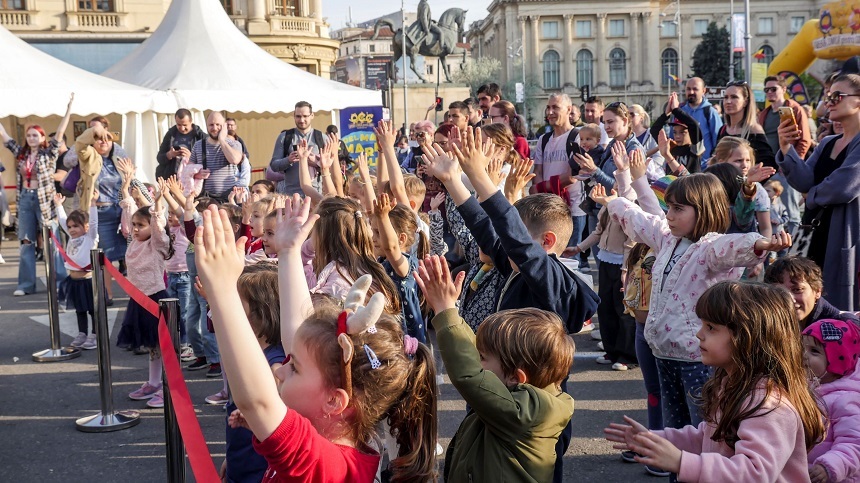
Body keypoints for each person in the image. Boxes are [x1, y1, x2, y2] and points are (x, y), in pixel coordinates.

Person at [195, 197, 437, 482]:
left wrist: (223, 291)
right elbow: (295, 334)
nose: (278, 369)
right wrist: (288, 253)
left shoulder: (329, 466)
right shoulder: (338, 438)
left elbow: (257, 402)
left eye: (294, 367)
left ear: (334, 402)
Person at [421, 127, 599, 480]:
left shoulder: (551, 281)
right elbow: (489, 230)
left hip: (531, 405)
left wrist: (479, 177)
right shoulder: (518, 265)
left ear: (546, 243)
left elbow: (516, 240)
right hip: (502, 384)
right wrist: (454, 180)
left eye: (516, 240)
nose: (504, 246)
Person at [592, 174, 792, 442]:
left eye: (678, 209)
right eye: (669, 207)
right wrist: (612, 201)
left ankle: (701, 470)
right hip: (665, 353)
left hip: (697, 358)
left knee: (704, 429)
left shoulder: (709, 248)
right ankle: (677, 470)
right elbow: (639, 219)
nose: (669, 215)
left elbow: (733, 246)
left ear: (705, 209)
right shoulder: (666, 238)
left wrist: (760, 244)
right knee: (675, 429)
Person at [605, 281, 826, 482]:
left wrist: (681, 462)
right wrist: (655, 440)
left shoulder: (769, 405)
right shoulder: (733, 382)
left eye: (711, 328)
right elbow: (709, 437)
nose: (700, 334)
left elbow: (754, 473)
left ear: (748, 338)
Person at [414, 255, 575, 482]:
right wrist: (449, 312)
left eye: (482, 358)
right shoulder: (520, 397)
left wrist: (445, 312)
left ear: (515, 377)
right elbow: (475, 361)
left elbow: (469, 375)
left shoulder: (524, 413)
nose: (476, 361)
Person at [777, 72, 860, 311]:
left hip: (844, 233)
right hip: (813, 232)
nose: (828, 102)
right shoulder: (827, 143)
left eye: (837, 96)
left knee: (838, 302)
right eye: (827, 96)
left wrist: (810, 197)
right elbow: (804, 180)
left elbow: (843, 186)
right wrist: (786, 149)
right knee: (808, 298)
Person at [0, 94, 73, 296]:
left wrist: (68, 110)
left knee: (53, 242)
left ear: (42, 138)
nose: (31, 138)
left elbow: (59, 132)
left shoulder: (48, 154)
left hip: (45, 201)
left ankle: (60, 284)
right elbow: (5, 136)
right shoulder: (22, 154)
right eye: (29, 135)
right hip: (25, 199)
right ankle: (25, 285)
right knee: (25, 242)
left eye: (35, 135)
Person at [220, 264, 285, 483]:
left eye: (238, 305)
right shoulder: (250, 353)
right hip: (240, 461)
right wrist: (230, 458)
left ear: (262, 312)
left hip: (260, 471)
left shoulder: (275, 362)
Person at [116, 165, 174, 409]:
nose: (137, 229)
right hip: (138, 300)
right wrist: (126, 184)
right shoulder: (133, 242)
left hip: (156, 299)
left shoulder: (157, 244)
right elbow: (129, 209)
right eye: (135, 226)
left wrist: (158, 204)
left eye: (142, 225)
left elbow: (159, 227)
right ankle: (153, 383)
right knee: (152, 347)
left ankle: (168, 388)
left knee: (164, 347)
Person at [802, 319, 860, 483]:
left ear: (837, 362)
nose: (803, 355)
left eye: (814, 351)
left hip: (835, 477)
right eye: (801, 348)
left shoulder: (845, 399)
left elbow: (854, 444)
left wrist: (828, 466)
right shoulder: (811, 389)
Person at [372, 194, 429, 343]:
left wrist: (383, 217)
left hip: (407, 345)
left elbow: (391, 248)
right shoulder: (382, 261)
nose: (373, 238)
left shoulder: (406, 265)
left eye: (379, 232)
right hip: (389, 339)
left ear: (401, 239)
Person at [759, 75, 809, 236]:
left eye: (774, 89)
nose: (770, 92)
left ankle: (795, 254)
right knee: (770, 211)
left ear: (784, 90)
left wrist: (791, 165)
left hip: (785, 169)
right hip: (768, 170)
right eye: (767, 90)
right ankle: (778, 254)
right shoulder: (764, 113)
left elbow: (804, 140)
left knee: (792, 213)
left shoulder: (794, 109)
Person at [764, 256, 860, 329]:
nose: (788, 299)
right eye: (779, 292)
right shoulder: (764, 323)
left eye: (797, 290)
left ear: (818, 291)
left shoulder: (845, 327)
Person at [55, 192, 98, 350]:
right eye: (70, 226)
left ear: (85, 227)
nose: (72, 229)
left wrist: (93, 204)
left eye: (76, 226)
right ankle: (82, 333)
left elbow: (93, 223)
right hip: (74, 281)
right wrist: (59, 205)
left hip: (88, 281)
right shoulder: (72, 238)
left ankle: (94, 334)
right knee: (80, 309)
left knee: (92, 309)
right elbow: (62, 221)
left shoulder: (90, 238)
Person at [268, 101, 329, 196]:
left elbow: (329, 167)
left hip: (316, 194)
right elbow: (274, 165)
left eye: (305, 116)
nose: (301, 120)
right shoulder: (285, 137)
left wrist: (316, 162)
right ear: (294, 116)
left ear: (312, 115)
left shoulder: (322, 138)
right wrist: (288, 160)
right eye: (298, 116)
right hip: (292, 195)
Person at [718, 81, 776, 171]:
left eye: (734, 97)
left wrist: (748, 175)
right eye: (726, 97)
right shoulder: (723, 129)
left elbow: (768, 163)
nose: (728, 101)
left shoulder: (754, 130)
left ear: (745, 102)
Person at [188, 112, 244, 202]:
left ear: (224, 126)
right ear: (206, 126)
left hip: (227, 198)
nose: (214, 128)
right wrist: (197, 174)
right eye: (211, 125)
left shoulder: (234, 144)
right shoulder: (198, 145)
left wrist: (222, 140)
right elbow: (187, 170)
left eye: (218, 125)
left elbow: (235, 160)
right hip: (205, 199)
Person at [651, 92, 703, 174]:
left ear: (690, 133)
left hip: (690, 185)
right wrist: (666, 114)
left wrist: (676, 110)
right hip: (672, 185)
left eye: (682, 132)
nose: (677, 136)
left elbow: (694, 126)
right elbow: (654, 130)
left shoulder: (695, 149)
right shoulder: (671, 146)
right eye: (675, 132)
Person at [155, 108, 207, 180]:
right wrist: (169, 155)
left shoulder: (201, 137)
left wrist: (191, 157)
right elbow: (159, 158)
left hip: (192, 180)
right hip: (172, 179)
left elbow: (208, 161)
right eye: (179, 125)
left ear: (191, 121)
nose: (182, 128)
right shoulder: (171, 134)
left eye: (185, 125)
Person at [680, 77, 723, 160]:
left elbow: (718, 142)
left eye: (695, 89)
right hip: (683, 166)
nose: (691, 92)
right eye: (688, 89)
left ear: (703, 91)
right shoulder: (680, 112)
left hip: (704, 166)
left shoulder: (710, 112)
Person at [629, 103, 665, 174]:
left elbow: (659, 157)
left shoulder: (651, 134)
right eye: (626, 115)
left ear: (641, 117)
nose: (628, 117)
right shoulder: (627, 137)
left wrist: (645, 170)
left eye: (632, 114)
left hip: (653, 177)